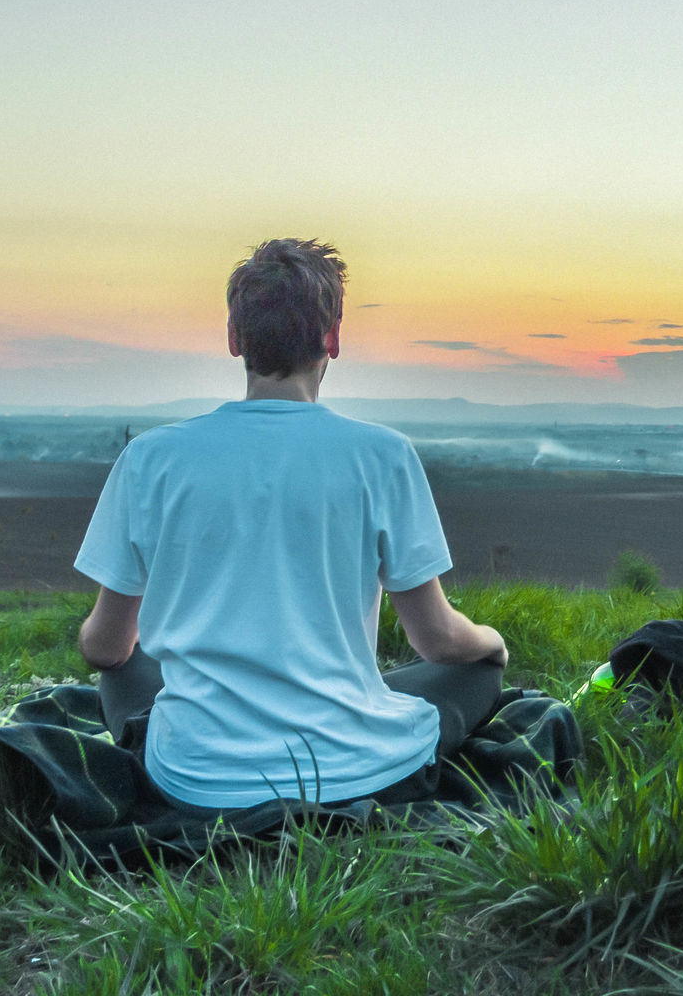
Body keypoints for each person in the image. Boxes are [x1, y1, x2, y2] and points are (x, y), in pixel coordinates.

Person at [73, 238, 508, 813]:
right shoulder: (383, 455)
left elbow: (104, 648)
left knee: (125, 667)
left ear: (234, 339)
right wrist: (492, 644)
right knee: (475, 674)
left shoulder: (151, 458)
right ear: (332, 338)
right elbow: (437, 640)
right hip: (353, 771)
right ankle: (359, 719)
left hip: (195, 780)